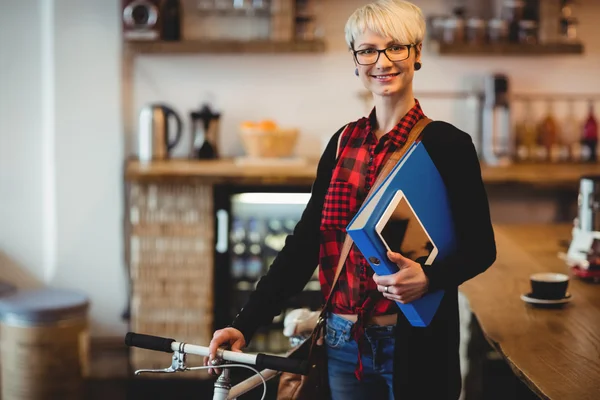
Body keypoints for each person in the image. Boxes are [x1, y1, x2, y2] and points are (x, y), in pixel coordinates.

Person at [204, 1, 496, 399]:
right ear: (356, 61)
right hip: (342, 342)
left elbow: (481, 248)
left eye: (396, 47)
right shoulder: (342, 143)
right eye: (368, 50)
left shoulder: (448, 145)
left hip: (414, 344)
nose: (382, 61)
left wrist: (430, 278)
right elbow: (304, 244)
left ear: (418, 53)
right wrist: (245, 322)